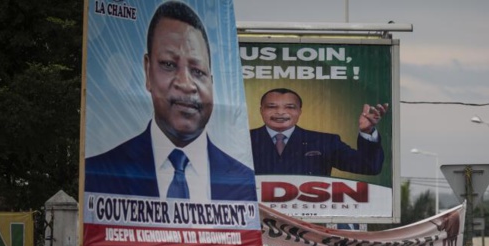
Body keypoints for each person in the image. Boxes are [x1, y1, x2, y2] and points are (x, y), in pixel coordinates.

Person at [84, 1, 256, 202]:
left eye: (198, 71)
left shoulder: (242, 180)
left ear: (211, 81)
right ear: (148, 71)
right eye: (168, 65)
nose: (186, 84)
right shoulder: (101, 173)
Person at [250, 88, 387, 176]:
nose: (280, 112)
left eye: (290, 107)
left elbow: (370, 167)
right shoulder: (243, 139)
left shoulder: (325, 142)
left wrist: (367, 131)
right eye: (271, 107)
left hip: (309, 210)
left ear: (299, 111)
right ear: (261, 110)